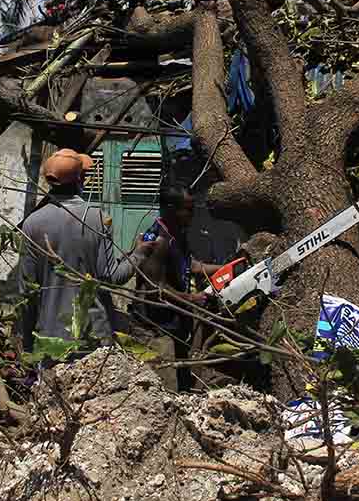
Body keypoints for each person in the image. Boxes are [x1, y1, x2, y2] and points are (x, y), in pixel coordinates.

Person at [18, 149, 155, 358]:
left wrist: (28, 344)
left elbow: (27, 290)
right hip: (93, 338)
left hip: (50, 341)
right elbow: (110, 277)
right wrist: (138, 254)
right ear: (80, 179)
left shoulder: (31, 223)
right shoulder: (98, 219)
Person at [131, 185, 223, 391]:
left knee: (184, 385)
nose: (192, 215)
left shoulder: (177, 233)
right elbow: (155, 289)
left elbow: (190, 266)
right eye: (187, 210)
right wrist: (192, 298)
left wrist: (225, 269)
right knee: (163, 390)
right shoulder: (157, 241)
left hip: (174, 323)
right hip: (156, 328)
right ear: (171, 209)